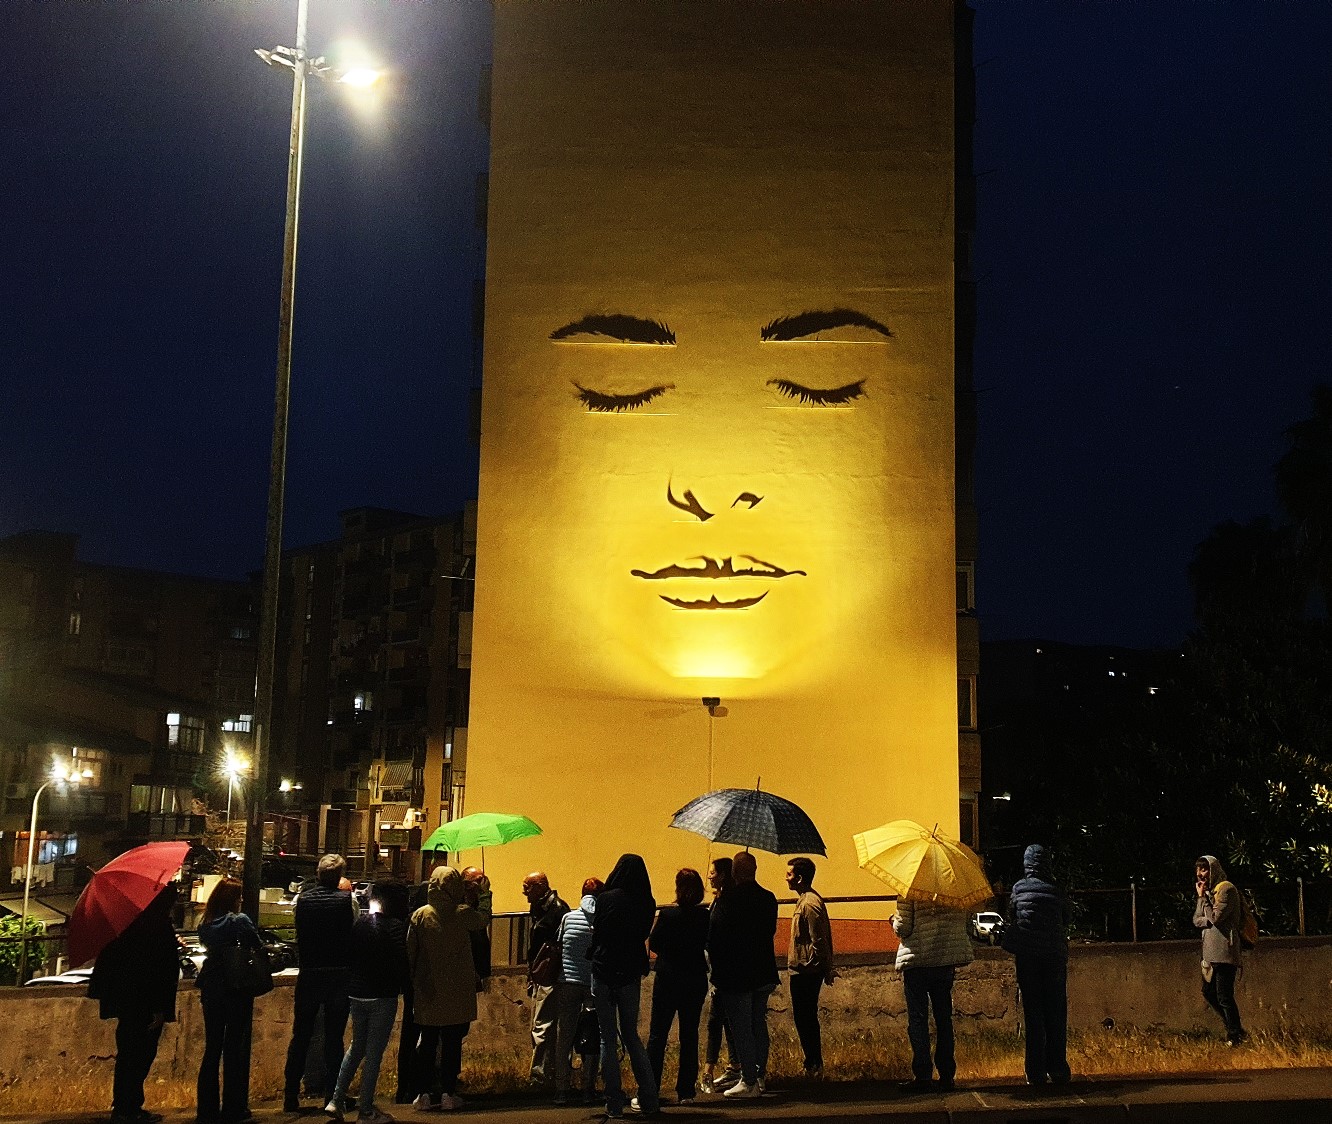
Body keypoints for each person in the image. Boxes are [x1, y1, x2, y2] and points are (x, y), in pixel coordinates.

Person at [88, 883, 180, 1124]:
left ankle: (123, 1106)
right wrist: (160, 1009)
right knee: (140, 1055)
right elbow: (160, 972)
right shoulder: (157, 927)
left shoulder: (128, 924)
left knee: (128, 1054)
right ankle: (130, 1107)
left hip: (128, 1003)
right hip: (146, 1005)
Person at [408, 865, 493, 1111]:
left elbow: (410, 951)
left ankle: (423, 1093)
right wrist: (486, 895)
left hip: (428, 989)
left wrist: (414, 980)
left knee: (427, 1042)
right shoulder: (462, 913)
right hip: (457, 989)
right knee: (452, 1042)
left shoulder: (420, 915)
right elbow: (483, 919)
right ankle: (448, 1092)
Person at [327, 880, 411, 1124]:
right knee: (374, 1054)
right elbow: (400, 962)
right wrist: (406, 987)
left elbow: (350, 956)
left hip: (357, 993)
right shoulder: (394, 927)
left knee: (356, 1048)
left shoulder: (361, 924)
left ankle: (336, 1100)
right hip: (381, 996)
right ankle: (366, 1110)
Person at [284, 854, 357, 1113]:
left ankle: (290, 1095)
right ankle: (332, 1095)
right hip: (338, 974)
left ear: (317, 874)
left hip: (310, 973)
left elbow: (299, 930)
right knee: (334, 1038)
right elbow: (354, 931)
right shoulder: (349, 901)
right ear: (339, 876)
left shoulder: (300, 900)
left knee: (301, 1035)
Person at [591, 854, 660, 1119]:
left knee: (607, 1037)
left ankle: (613, 1103)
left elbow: (599, 930)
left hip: (604, 969)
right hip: (630, 973)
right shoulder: (647, 901)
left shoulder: (606, 898)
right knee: (631, 1035)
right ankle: (650, 1098)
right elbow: (643, 934)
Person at [707, 851, 778, 1100]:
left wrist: (716, 969)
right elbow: (770, 930)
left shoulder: (729, 900)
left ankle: (748, 1080)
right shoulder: (769, 899)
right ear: (755, 870)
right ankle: (760, 1074)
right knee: (758, 1024)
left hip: (737, 974)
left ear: (735, 872)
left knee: (742, 1029)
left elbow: (714, 935)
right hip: (764, 970)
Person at [1001, 844, 1071, 1085]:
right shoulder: (1056, 890)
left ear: (1027, 863)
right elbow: (1066, 918)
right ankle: (1059, 1068)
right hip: (1053, 956)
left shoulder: (1019, 889)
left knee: (1033, 1013)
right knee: (1056, 1012)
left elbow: (1013, 916)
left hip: (1028, 957)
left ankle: (1035, 1071)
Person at [195, 877, 261, 1124]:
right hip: (235, 988)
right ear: (232, 900)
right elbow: (256, 944)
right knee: (234, 1048)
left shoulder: (206, 924)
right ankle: (234, 1107)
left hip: (211, 988)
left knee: (212, 1049)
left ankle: (206, 1110)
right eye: (239, 897)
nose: (242, 900)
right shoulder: (240, 921)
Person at [891, 894, 973, 1093]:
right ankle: (946, 1075)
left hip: (917, 962)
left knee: (918, 1019)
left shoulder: (910, 889)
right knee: (944, 1019)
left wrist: (893, 921)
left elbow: (904, 928)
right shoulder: (954, 887)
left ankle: (923, 1075)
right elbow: (965, 925)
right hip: (944, 961)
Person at [645, 868, 710, 1106]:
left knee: (657, 1035)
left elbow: (655, 943)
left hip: (669, 978)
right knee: (689, 1035)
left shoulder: (668, 915)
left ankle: (651, 1087)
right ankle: (686, 1091)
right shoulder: (704, 916)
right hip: (694, 978)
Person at [551, 876, 603, 1105]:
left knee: (565, 1036)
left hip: (567, 983)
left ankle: (561, 1089)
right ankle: (588, 1088)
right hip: (592, 984)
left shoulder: (567, 918)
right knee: (592, 1035)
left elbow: (560, 945)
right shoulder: (602, 920)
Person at [785, 856, 836, 1077]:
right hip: (803, 968)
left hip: (807, 969)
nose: (785, 878)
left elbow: (819, 939)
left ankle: (814, 1064)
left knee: (805, 1017)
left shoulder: (810, 904)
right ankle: (812, 1062)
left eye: (789, 874)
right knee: (803, 1016)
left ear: (799, 878)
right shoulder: (804, 900)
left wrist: (825, 967)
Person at [522, 870, 570, 1085]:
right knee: (543, 1024)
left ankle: (541, 1075)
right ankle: (550, 1072)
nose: (524, 891)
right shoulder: (539, 908)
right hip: (542, 973)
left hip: (551, 975)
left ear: (541, 886)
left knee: (543, 1024)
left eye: (528, 886)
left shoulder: (558, 909)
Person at [1194, 854, 1247, 1046]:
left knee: (1224, 995)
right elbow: (1197, 919)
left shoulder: (1226, 889)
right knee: (1209, 992)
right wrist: (1205, 903)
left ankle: (1235, 1035)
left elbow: (1215, 918)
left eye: (1205, 869)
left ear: (1214, 869)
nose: (1201, 874)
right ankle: (1235, 1028)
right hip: (1209, 952)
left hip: (1225, 950)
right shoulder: (1209, 893)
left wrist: (1204, 902)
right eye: (1199, 869)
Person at [700, 858, 739, 1094]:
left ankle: (708, 1071)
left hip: (724, 972)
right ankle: (735, 1065)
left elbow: (720, 939)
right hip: (720, 970)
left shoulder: (726, 903)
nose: (710, 876)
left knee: (717, 1021)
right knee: (725, 1020)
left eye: (713, 872)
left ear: (723, 875)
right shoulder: (719, 900)